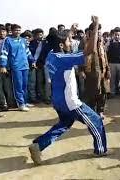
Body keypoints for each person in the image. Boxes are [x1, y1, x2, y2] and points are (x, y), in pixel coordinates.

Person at [29, 16, 108, 165]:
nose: (71, 43)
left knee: (64, 124)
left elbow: (62, 44)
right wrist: (96, 25)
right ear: (61, 44)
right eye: (69, 41)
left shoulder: (51, 56)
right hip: (70, 102)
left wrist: (69, 31)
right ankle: (101, 149)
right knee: (96, 120)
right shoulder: (64, 59)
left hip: (58, 101)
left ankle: (38, 145)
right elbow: (89, 50)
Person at [0, 24, 35, 112]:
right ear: (12, 31)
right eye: (16, 30)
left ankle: (25, 102)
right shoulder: (8, 40)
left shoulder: (23, 40)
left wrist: (32, 61)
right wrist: (3, 65)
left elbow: (27, 51)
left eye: (19, 30)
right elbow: (4, 53)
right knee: (18, 86)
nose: (18, 32)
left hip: (25, 65)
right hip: (16, 66)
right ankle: (21, 104)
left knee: (24, 85)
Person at [80, 23, 110, 118]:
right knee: (91, 92)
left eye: (99, 31)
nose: (99, 33)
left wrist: (108, 69)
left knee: (103, 92)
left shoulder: (101, 42)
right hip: (90, 72)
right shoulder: (84, 43)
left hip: (102, 71)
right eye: (97, 31)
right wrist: (81, 70)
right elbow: (80, 57)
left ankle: (100, 111)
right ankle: (92, 111)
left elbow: (105, 56)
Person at [106, 27, 120, 97]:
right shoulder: (109, 43)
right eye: (115, 35)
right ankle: (112, 92)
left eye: (118, 35)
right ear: (113, 35)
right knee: (112, 79)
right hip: (112, 63)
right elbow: (106, 52)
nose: (117, 36)